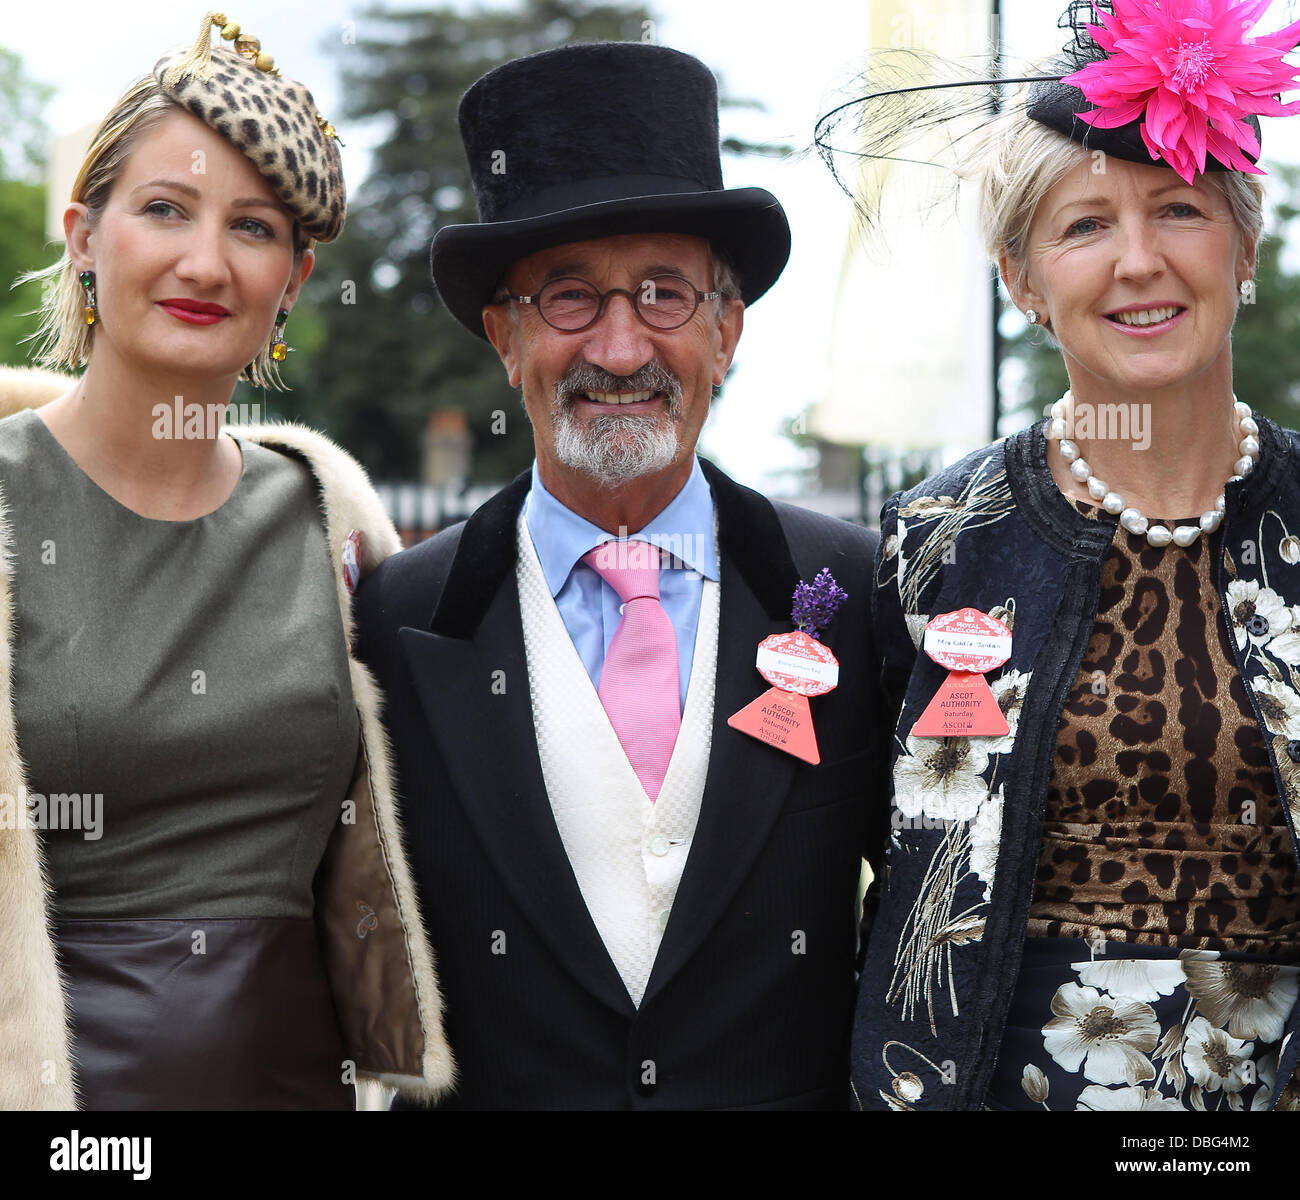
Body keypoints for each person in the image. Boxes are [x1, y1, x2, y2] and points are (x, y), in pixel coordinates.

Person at [353, 41, 884, 1110]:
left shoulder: (855, 593)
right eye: (568, 298)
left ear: (726, 329)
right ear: (505, 337)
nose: (622, 346)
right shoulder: (403, 616)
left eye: (663, 294)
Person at [837, 0, 1300, 1111]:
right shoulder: (937, 542)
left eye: (1178, 210)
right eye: (1084, 226)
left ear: (1241, 244)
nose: (1137, 262)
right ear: (1021, 281)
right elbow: (859, 867)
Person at [0, 13, 453, 1109]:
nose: (205, 262)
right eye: (163, 210)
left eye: (252, 228)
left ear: (293, 281)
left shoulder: (326, 510)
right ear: (83, 234)